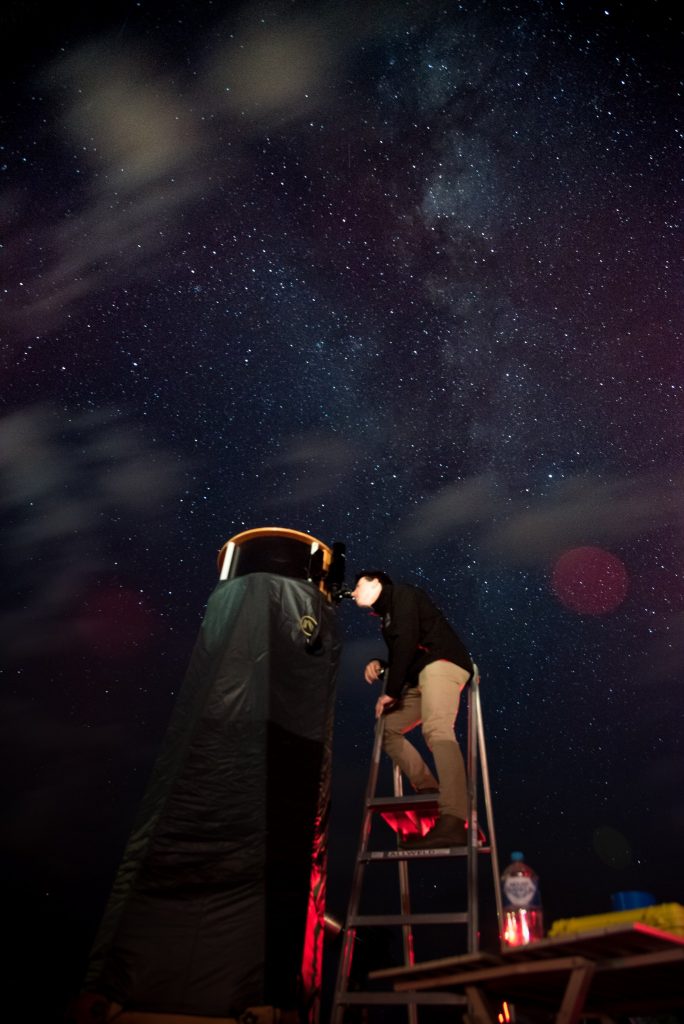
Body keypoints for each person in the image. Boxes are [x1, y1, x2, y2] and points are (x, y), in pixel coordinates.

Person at [350, 570, 473, 848]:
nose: (353, 592)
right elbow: (404, 654)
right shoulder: (386, 619)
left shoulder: (403, 594)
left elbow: (407, 640)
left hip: (442, 664)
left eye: (358, 585)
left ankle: (454, 818)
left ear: (376, 583)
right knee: (387, 728)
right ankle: (428, 787)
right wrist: (381, 666)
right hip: (420, 676)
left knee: (437, 729)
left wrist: (391, 692)